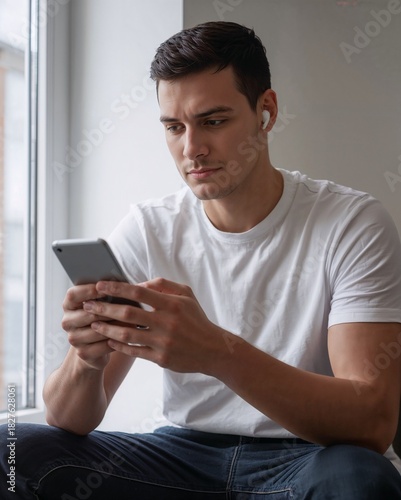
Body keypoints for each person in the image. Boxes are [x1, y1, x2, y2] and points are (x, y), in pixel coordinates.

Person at [1, 21, 401, 499]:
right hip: (183, 457)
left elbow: (372, 421)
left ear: (266, 112)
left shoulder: (352, 223)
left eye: (213, 121)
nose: (191, 149)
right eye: (174, 127)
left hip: (306, 456)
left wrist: (216, 352)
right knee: (10, 451)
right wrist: (87, 360)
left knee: (360, 478)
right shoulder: (149, 227)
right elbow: (68, 420)